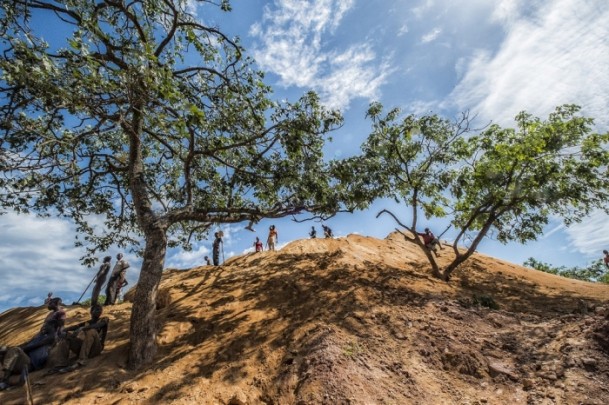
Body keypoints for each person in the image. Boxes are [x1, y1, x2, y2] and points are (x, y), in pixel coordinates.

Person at [50, 304, 109, 372]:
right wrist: (64, 330)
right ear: (91, 311)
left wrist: (83, 328)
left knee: (91, 331)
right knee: (66, 336)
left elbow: (99, 325)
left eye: (100, 310)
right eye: (97, 309)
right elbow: (76, 326)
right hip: (84, 348)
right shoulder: (87, 323)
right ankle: (61, 364)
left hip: (96, 349)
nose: (99, 311)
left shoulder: (104, 319)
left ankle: (81, 361)